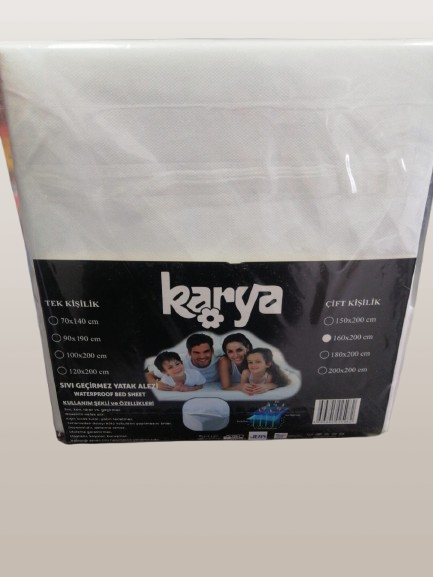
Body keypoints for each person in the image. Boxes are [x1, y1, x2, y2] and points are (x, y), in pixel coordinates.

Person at [145, 333, 220, 390]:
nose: (202, 356)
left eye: (206, 351)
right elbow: (148, 374)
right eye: (196, 353)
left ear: (212, 350)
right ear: (189, 353)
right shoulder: (178, 363)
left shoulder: (220, 360)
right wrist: (155, 383)